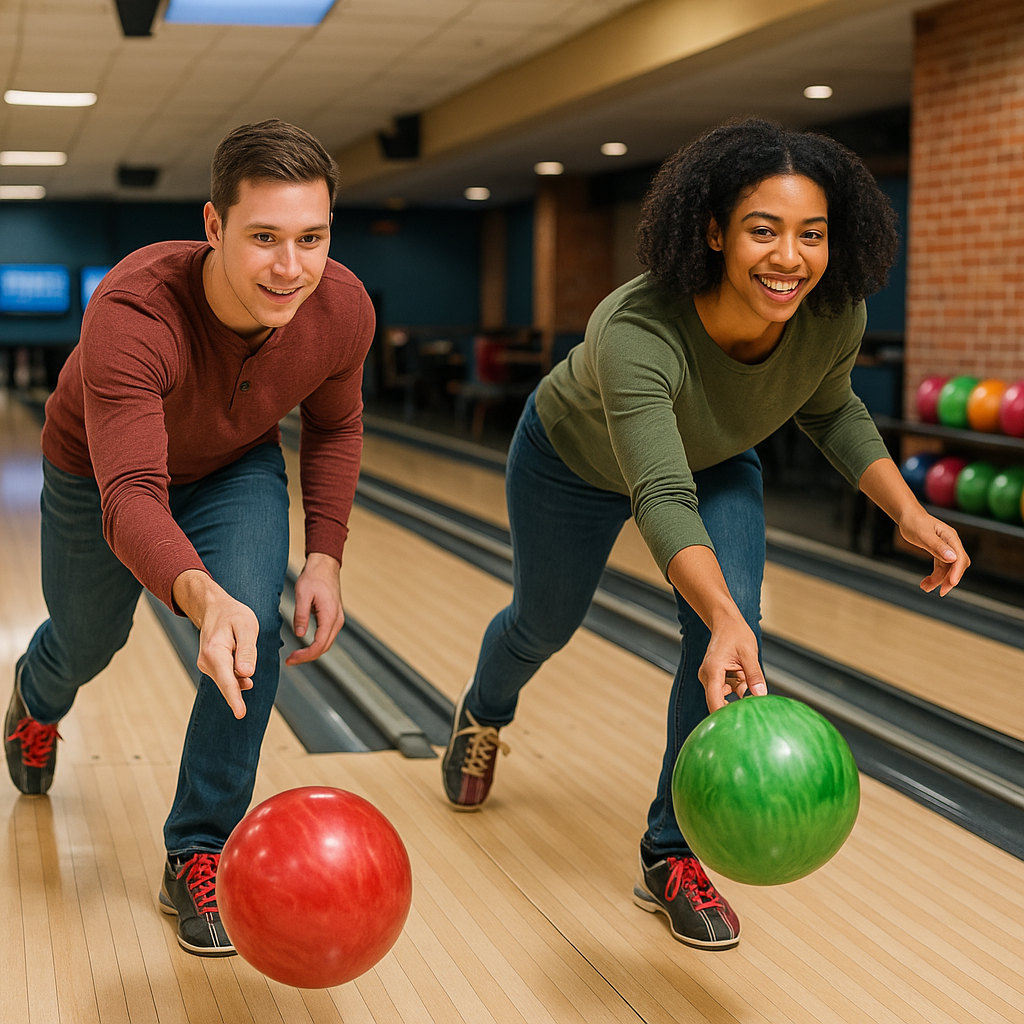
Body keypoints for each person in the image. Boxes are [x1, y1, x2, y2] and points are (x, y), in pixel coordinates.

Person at [441, 118, 970, 950]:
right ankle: (483, 709)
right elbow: (658, 490)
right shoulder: (637, 326)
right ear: (715, 231)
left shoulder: (833, 315)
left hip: (719, 459)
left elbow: (832, 409)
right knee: (545, 621)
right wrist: (721, 615)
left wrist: (908, 509)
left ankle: (670, 853)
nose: (789, 257)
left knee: (731, 637)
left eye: (812, 234)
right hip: (572, 460)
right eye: (764, 230)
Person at [4, 119, 374, 957]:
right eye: (265, 238)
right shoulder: (134, 310)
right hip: (94, 470)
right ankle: (39, 694)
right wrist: (200, 596)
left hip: (235, 465)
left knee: (253, 634)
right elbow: (132, 492)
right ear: (214, 226)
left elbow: (336, 427)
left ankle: (198, 850)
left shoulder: (342, 307)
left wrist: (324, 554)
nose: (292, 267)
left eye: (311, 238)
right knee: (92, 636)